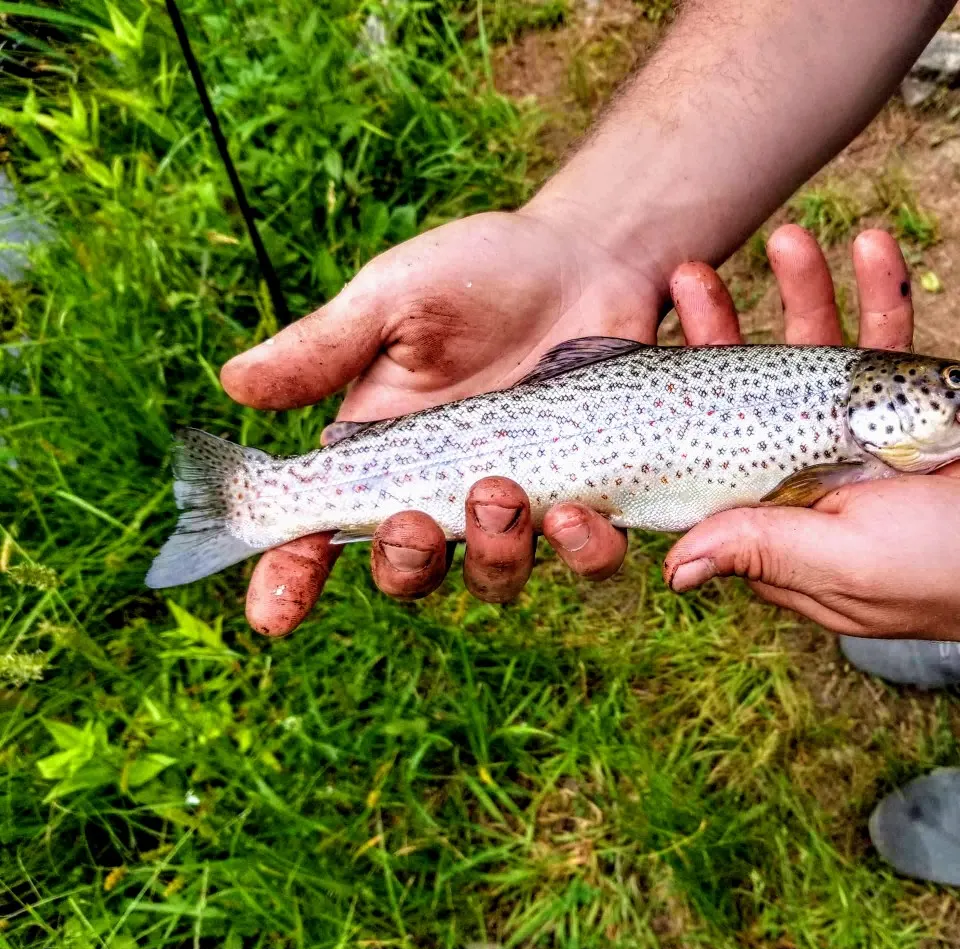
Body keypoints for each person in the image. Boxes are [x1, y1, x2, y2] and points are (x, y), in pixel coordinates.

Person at [219, 0, 960, 882]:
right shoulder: (857, 440)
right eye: (949, 389)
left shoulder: (860, 437)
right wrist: (590, 239)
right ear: (878, 405)